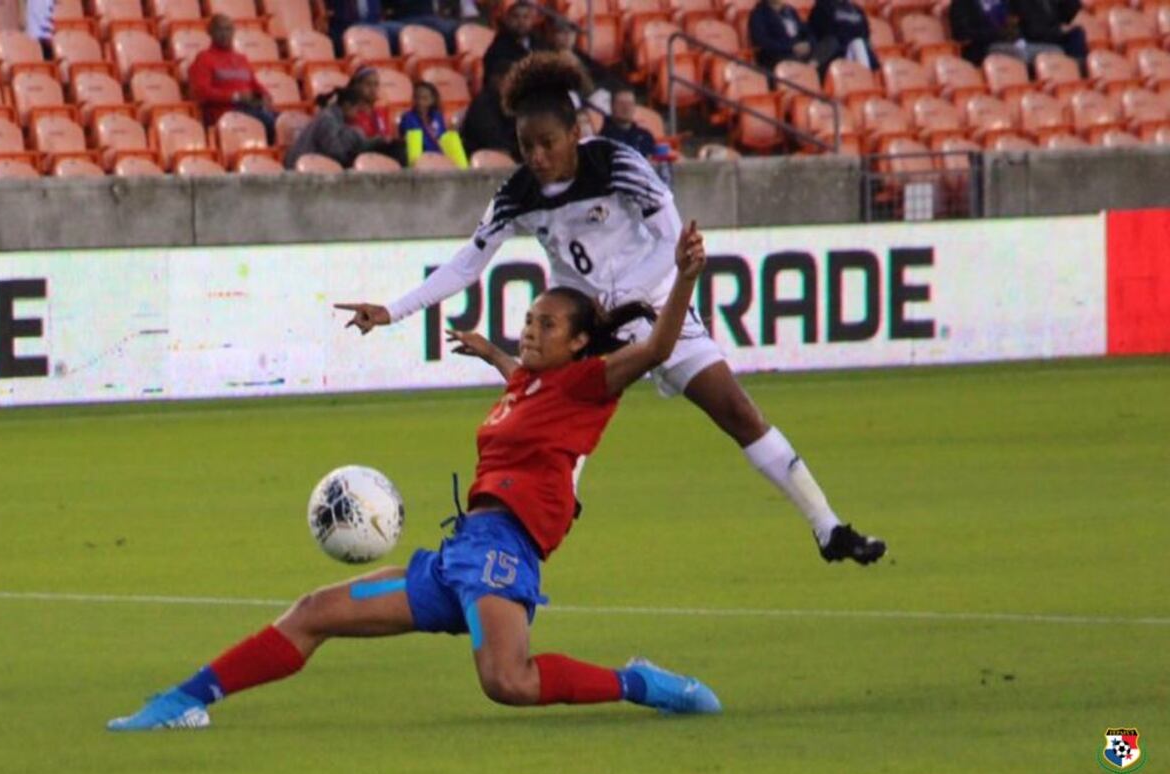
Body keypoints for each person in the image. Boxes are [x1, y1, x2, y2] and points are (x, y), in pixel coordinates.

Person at [106, 221, 721, 731]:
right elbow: (528, 397)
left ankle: (640, 683)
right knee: (314, 611)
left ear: (581, 342)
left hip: (499, 557)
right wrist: (495, 355)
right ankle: (184, 700)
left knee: (508, 681)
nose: (531, 329)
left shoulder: (589, 384)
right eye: (530, 319)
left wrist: (686, 276)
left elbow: (657, 349)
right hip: (458, 560)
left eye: (547, 325)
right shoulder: (529, 384)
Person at [337, 53, 888, 566]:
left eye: (548, 143)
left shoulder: (616, 164)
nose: (537, 156)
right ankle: (508, 548)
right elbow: (466, 265)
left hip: (653, 305)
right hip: (585, 331)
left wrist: (620, 302)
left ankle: (827, 527)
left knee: (739, 413)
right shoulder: (518, 193)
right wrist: (392, 311)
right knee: (553, 442)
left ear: (576, 134)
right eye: (526, 145)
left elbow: (672, 247)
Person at [187, 14, 277, 140]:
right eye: (220, 29)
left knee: (284, 122)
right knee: (269, 122)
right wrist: (235, 96)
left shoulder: (241, 59)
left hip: (250, 108)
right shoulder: (204, 59)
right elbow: (203, 92)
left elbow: (254, 83)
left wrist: (265, 94)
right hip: (225, 113)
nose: (224, 34)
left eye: (228, 29)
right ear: (210, 32)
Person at [285, 83, 388, 168]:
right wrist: (355, 135)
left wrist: (374, 142)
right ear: (347, 106)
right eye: (357, 109)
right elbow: (335, 153)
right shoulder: (327, 119)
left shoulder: (335, 119)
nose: (359, 113)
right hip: (302, 168)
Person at [346, 67, 408, 163]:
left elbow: (387, 136)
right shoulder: (350, 112)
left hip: (383, 153)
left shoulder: (381, 111)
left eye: (376, 85)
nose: (373, 89)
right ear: (356, 86)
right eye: (368, 84)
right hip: (361, 155)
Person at [460, 62, 519, 158]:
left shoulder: (514, 102)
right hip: (487, 165)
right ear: (496, 79)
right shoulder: (483, 107)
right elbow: (498, 148)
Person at [807, 0, 879, 74]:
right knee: (857, 43)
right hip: (836, 55)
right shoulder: (821, 8)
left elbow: (865, 34)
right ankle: (865, 77)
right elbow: (820, 34)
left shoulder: (857, 10)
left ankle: (865, 77)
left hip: (856, 52)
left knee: (858, 43)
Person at [482, 0, 544, 84]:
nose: (521, 21)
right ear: (507, 20)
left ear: (532, 20)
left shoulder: (540, 43)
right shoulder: (499, 47)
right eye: (515, 16)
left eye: (525, 17)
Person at [950, 0, 1027, 65]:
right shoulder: (962, 3)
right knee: (1018, 52)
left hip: (1010, 42)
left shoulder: (1004, 2)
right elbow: (961, 34)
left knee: (1033, 49)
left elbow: (1015, 22)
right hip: (982, 48)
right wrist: (995, 34)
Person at [749, 0, 819, 71]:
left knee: (827, 47)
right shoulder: (758, 15)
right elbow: (763, 42)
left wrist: (809, 43)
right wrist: (791, 48)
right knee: (804, 61)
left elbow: (806, 31)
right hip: (778, 56)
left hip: (798, 51)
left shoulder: (790, 11)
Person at [1011, 0, 1087, 63]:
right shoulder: (1022, 2)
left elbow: (1067, 16)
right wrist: (1059, 30)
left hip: (1054, 35)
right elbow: (1033, 31)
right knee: (1059, 47)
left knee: (1076, 33)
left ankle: (1078, 69)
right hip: (1034, 40)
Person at [600, 87, 656, 158]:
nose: (626, 108)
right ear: (612, 106)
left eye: (630, 104)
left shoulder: (646, 136)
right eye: (621, 103)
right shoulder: (603, 139)